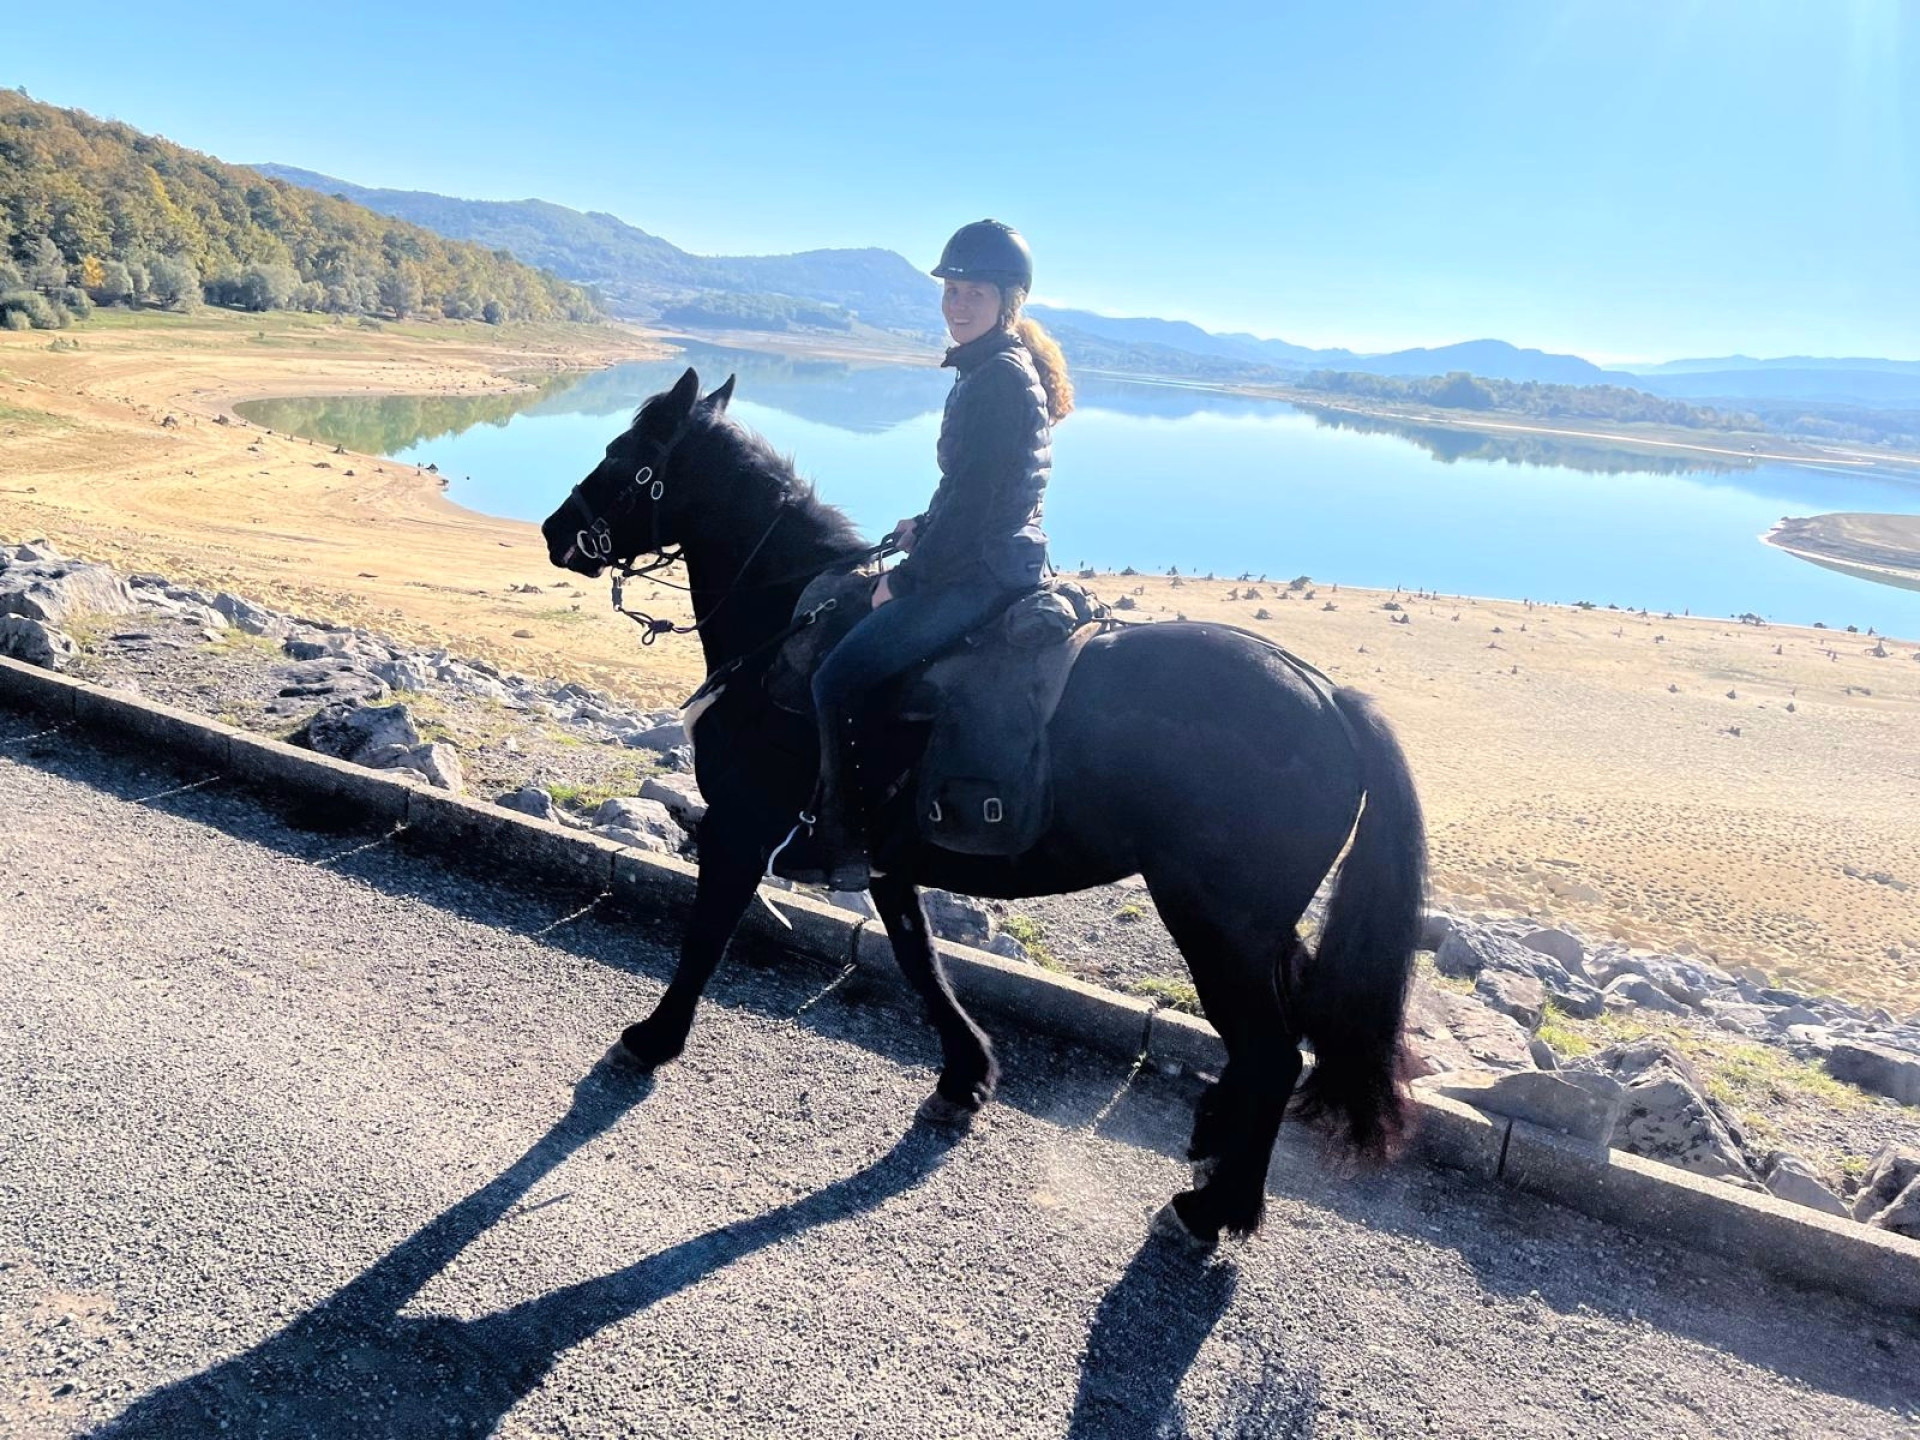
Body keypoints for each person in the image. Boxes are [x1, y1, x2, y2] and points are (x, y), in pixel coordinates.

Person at [801, 219, 1075, 888]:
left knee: (835, 679)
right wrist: (922, 523)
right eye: (951, 291)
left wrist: (909, 577)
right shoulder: (994, 367)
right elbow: (978, 487)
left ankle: (845, 843)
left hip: (978, 574)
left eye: (973, 293)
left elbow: (981, 503)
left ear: (1008, 302)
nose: (957, 305)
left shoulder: (998, 378)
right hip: (997, 556)